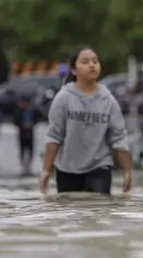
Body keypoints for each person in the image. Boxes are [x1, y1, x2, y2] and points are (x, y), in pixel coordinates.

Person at [40, 47, 133, 195]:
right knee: (70, 213)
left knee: (98, 210)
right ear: (74, 70)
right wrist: (46, 170)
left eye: (95, 61)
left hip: (99, 165)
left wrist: (127, 170)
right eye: (85, 61)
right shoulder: (64, 98)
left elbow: (119, 137)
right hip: (67, 168)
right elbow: (54, 136)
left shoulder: (107, 100)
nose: (92, 65)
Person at [12, 96, 35, 175]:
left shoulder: (31, 111)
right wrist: (22, 125)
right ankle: (23, 164)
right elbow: (15, 121)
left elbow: (36, 119)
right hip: (22, 132)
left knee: (30, 149)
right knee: (22, 148)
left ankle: (29, 164)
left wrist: (31, 124)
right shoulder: (19, 111)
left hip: (30, 132)